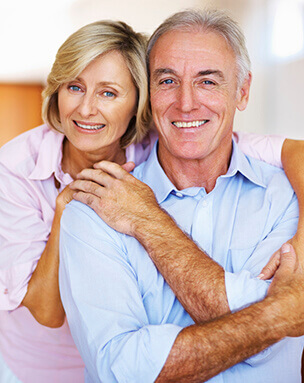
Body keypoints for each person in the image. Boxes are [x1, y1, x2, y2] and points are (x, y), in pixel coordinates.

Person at [59, 9, 304, 383]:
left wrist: (149, 221)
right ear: (149, 95)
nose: (186, 103)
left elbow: (270, 347)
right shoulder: (93, 210)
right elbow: (124, 370)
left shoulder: (289, 197)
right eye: (168, 80)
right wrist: (276, 316)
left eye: (207, 82)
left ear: (242, 91)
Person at [0, 20, 154, 383]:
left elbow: (280, 150)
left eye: (108, 93)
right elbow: (47, 311)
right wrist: (65, 211)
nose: (85, 109)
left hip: (129, 366)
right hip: (39, 370)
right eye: (75, 87)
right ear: (56, 91)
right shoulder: (15, 166)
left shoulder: (158, 154)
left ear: (137, 102)